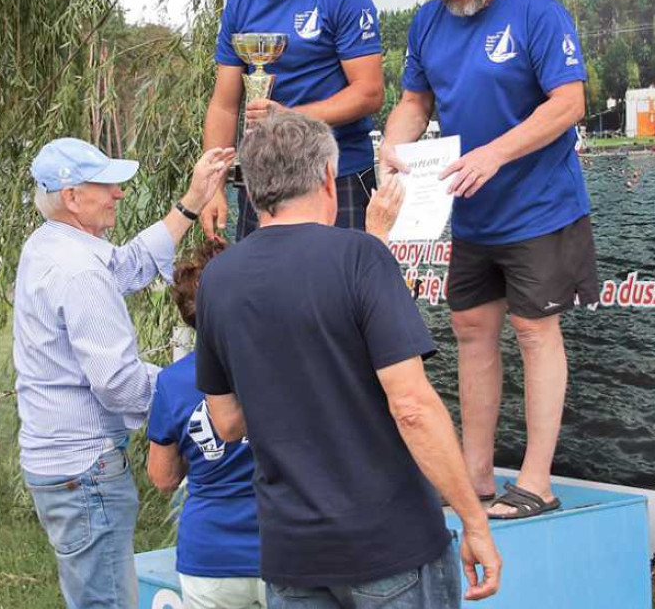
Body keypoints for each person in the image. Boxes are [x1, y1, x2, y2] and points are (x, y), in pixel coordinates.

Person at [195, 112, 501, 607]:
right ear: (326, 179)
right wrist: (473, 519)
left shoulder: (218, 279)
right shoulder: (361, 257)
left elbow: (226, 421)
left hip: (291, 552)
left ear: (251, 193)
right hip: (388, 544)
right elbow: (412, 407)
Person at [380, 0, 598, 520]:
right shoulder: (429, 22)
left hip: (540, 207)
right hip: (472, 212)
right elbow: (414, 102)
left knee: (534, 332)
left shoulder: (537, 9)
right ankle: (475, 477)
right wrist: (394, 151)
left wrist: (496, 155)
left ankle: (535, 483)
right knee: (472, 333)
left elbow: (569, 103)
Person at [13, 137, 233, 609]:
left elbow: (127, 266)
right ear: (72, 196)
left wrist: (191, 203)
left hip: (59, 464)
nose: (119, 193)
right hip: (85, 471)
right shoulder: (79, 271)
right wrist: (195, 390)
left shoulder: (52, 243)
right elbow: (117, 383)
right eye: (107, 185)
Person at [201, 0, 384, 242]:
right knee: (267, 295)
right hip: (264, 177)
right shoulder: (239, 6)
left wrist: (289, 118)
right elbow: (224, 106)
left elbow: (369, 94)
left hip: (336, 173)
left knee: (340, 294)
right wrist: (211, 187)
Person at [146, 241, 265, 609]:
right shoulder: (284, 364)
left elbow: (163, 478)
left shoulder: (172, 382)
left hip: (210, 554)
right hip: (282, 546)